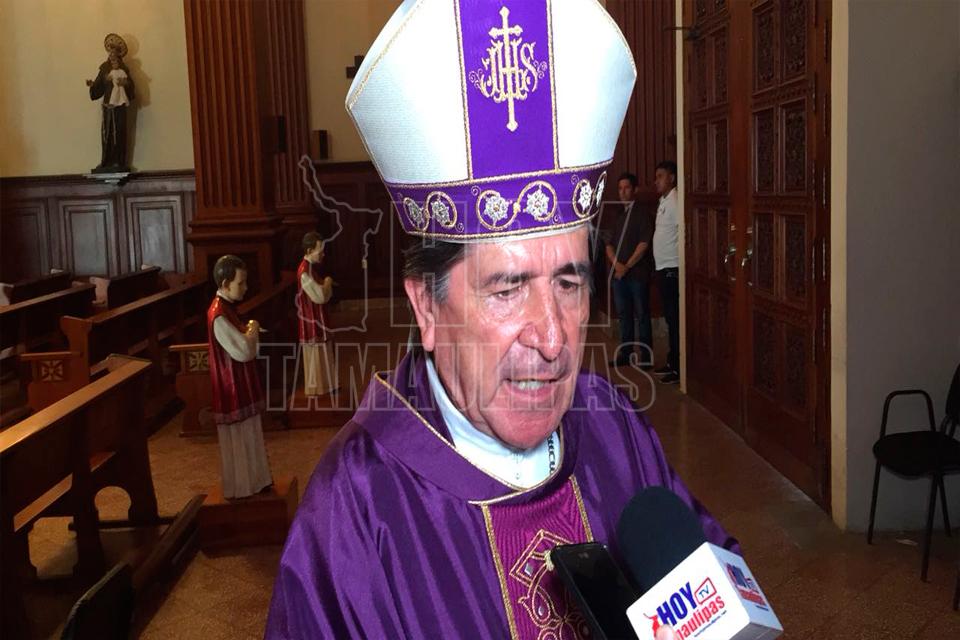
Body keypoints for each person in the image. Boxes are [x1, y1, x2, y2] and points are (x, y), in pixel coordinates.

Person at [265, 2, 735, 638]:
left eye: (570, 282)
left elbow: (713, 593)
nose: (553, 338)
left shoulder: (615, 426)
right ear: (427, 308)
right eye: (509, 288)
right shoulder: (352, 514)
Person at [207, 255, 272, 499]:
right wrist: (253, 328)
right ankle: (243, 486)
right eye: (240, 283)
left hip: (240, 381)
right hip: (231, 385)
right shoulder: (219, 315)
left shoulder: (228, 309)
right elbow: (244, 351)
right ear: (225, 284)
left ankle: (257, 480)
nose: (245, 287)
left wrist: (249, 331)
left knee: (250, 433)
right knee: (239, 437)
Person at [605, 172, 654, 368]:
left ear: (635, 190)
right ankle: (625, 354)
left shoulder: (642, 214)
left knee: (642, 315)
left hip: (637, 274)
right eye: (620, 188)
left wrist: (626, 266)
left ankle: (646, 356)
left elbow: (643, 244)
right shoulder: (618, 216)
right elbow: (608, 245)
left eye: (626, 188)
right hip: (619, 275)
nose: (623, 192)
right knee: (624, 316)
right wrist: (617, 264)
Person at [296, 232, 336, 400]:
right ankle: (318, 388)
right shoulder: (304, 272)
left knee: (322, 352)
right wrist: (327, 282)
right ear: (309, 250)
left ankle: (326, 385)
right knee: (316, 354)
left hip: (318, 317)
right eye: (320, 251)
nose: (323, 254)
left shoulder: (311, 269)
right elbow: (319, 296)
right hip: (311, 319)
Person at [652, 161, 681, 385]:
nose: (657, 181)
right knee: (670, 319)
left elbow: (682, 230)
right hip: (662, 267)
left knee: (675, 319)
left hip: (672, 268)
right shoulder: (663, 200)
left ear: (671, 178)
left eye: (661, 176)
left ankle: (679, 367)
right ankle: (672, 361)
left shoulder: (675, 200)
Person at [86, 43, 135, 173]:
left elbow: (131, 88)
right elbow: (98, 86)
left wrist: (125, 83)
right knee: (106, 132)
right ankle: (106, 161)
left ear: (119, 55)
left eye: (114, 53)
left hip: (120, 106)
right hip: (108, 105)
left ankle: (119, 161)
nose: (112, 55)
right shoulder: (104, 68)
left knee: (119, 131)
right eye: (110, 53)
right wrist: (93, 85)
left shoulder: (124, 69)